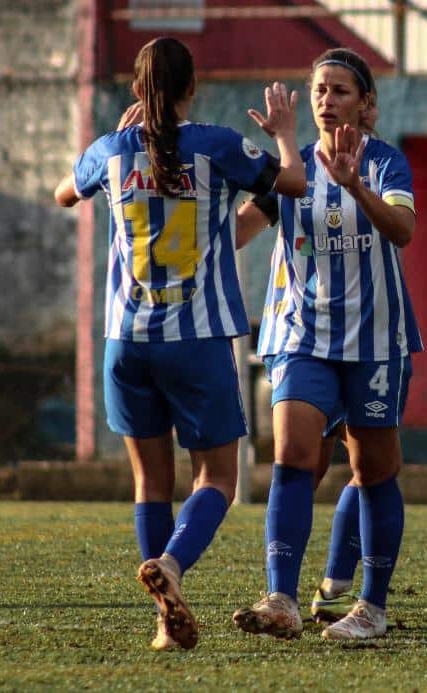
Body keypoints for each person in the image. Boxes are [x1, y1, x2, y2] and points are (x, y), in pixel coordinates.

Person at [53, 37, 305, 650]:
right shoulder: (216, 146)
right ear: (194, 87)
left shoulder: (111, 151)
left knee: (149, 483)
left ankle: (166, 619)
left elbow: (64, 193)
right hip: (196, 340)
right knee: (218, 478)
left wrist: (115, 141)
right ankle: (171, 566)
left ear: (137, 92)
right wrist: (285, 134)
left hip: (127, 342)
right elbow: (292, 182)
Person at [230, 48, 421, 641]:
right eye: (319, 89)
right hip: (301, 336)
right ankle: (281, 598)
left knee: (372, 469)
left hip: (375, 342)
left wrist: (355, 185)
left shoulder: (386, 163)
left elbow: (403, 231)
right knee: (292, 454)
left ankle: (372, 608)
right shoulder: (290, 169)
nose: (326, 100)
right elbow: (238, 231)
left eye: (340, 90)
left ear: (365, 104)